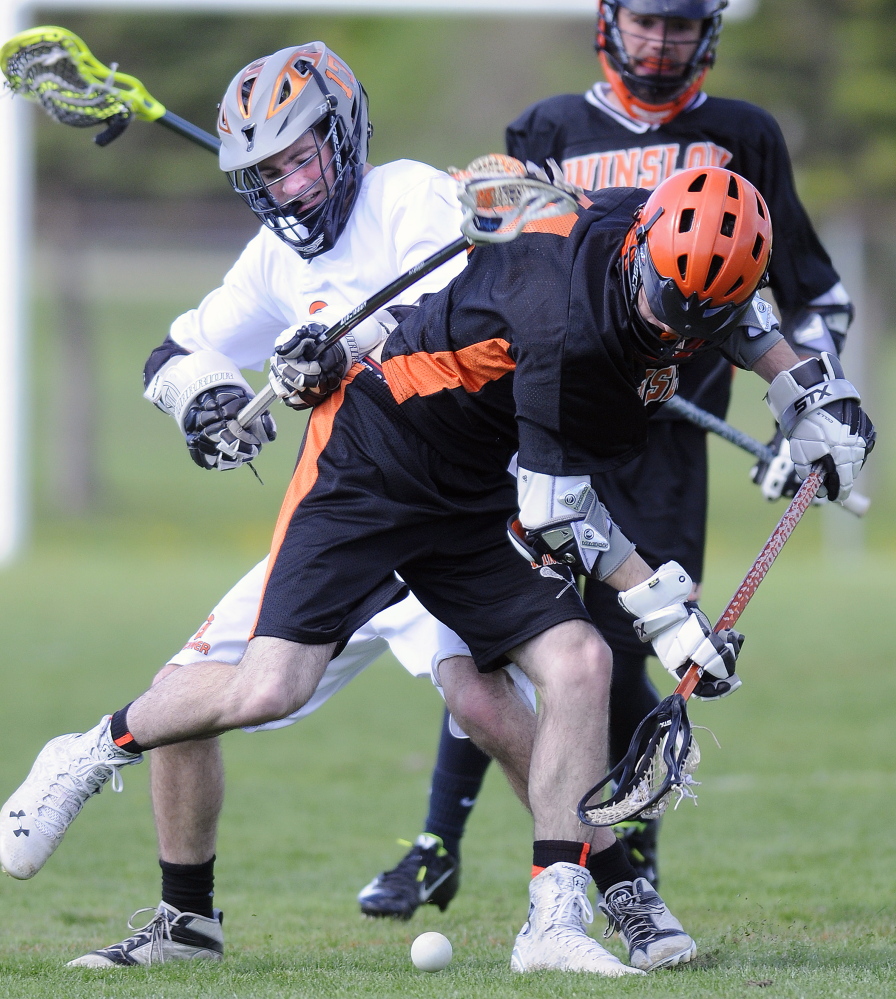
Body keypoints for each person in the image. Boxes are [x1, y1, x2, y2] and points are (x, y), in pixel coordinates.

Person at [0, 164, 874, 977]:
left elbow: (738, 315)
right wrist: (674, 616)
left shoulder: (674, 262)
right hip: (375, 462)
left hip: (470, 489)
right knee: (271, 686)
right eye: (661, 297)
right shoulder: (565, 323)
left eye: (691, 314)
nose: (665, 325)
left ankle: (554, 920)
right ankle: (85, 752)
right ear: (639, 243)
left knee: (579, 663)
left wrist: (809, 393)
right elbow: (558, 512)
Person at [0, 42, 543, 967]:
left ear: (344, 135)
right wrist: (204, 401)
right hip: (344, 516)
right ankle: (187, 922)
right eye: (265, 175)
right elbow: (172, 353)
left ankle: (605, 890)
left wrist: (341, 343)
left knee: (490, 708)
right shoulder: (271, 262)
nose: (289, 189)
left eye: (299, 159)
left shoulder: (413, 197)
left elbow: (457, 313)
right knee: (189, 689)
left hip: (451, 509)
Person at [357, 0, 859, 921]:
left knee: (631, 650)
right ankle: (436, 841)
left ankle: (635, 869)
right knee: (509, 632)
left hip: (667, 442)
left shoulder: (743, 135)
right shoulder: (548, 127)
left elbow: (813, 296)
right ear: (609, 23)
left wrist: (803, 417)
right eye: (645, 22)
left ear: (705, 34)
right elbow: (511, 270)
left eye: (678, 26)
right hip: (549, 427)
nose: (659, 42)